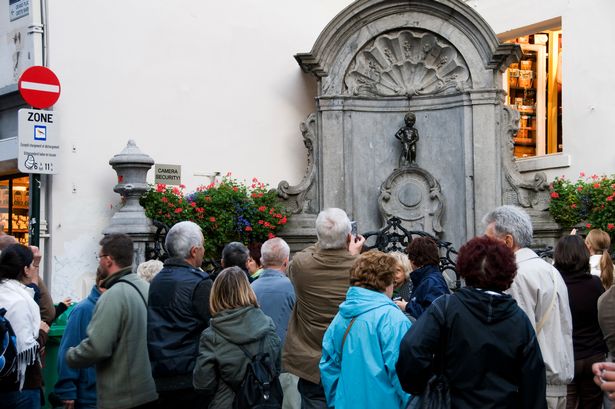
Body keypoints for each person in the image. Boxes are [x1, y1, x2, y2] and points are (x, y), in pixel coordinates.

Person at [396, 236, 547, 409]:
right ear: (507, 272)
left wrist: (424, 385)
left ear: (464, 268)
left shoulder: (446, 308)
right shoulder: (518, 319)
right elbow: (534, 378)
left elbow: (412, 348)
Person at [484, 205, 573, 408]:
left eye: (489, 241)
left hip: (533, 387)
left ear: (507, 241)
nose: (485, 248)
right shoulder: (550, 270)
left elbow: (515, 339)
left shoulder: (516, 276)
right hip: (556, 382)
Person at [283, 208, 365, 409]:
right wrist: (353, 255)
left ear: (318, 236)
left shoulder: (302, 264)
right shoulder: (361, 268)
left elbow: (309, 252)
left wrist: (328, 238)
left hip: (313, 362)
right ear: (349, 236)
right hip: (350, 359)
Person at [66, 234, 158, 409]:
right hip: (147, 390)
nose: (99, 261)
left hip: (122, 397)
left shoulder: (113, 295)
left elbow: (98, 347)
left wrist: (71, 356)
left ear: (108, 260)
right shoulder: (145, 288)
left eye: (99, 257)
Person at [320, 251, 411, 409]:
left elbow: (329, 368)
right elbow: (406, 378)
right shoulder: (394, 320)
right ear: (386, 282)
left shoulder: (340, 317)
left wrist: (339, 402)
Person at [193, 266, 281, 408]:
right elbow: (275, 368)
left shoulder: (211, 336)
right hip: (264, 401)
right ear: (248, 290)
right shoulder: (268, 325)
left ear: (216, 294)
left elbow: (203, 384)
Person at [147, 221, 212, 409]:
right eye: (202, 247)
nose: (204, 251)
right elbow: (216, 325)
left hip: (161, 372)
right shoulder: (199, 283)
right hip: (191, 375)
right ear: (194, 251)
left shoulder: (157, 280)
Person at [554, 235, 607, 408]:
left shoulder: (556, 285)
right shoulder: (595, 283)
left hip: (568, 356)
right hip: (594, 355)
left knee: (567, 403)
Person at [250, 237, 298, 409]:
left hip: (256, 366)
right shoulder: (292, 288)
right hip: (287, 363)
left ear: (262, 261)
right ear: (286, 261)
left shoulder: (250, 289)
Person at [0, 244, 49, 409]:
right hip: (21, 387)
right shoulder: (20, 301)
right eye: (32, 266)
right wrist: (42, 333)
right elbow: (26, 351)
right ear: (26, 270)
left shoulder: (9, 292)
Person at [54, 268, 106, 409]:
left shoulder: (112, 307)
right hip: (88, 396)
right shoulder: (83, 310)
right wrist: (68, 390)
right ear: (102, 284)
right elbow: (68, 349)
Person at [394, 237, 449, 320]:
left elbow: (434, 315)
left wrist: (407, 306)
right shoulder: (426, 278)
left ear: (413, 259)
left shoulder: (431, 281)